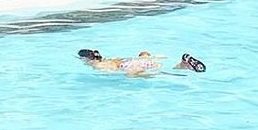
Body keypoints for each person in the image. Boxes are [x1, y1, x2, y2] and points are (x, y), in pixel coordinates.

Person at [78, 48, 206, 76]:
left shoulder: (98, 65)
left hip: (130, 66)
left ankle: (181, 68)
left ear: (87, 59)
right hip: (137, 60)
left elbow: (116, 71)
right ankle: (183, 64)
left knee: (133, 75)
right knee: (144, 55)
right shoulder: (109, 58)